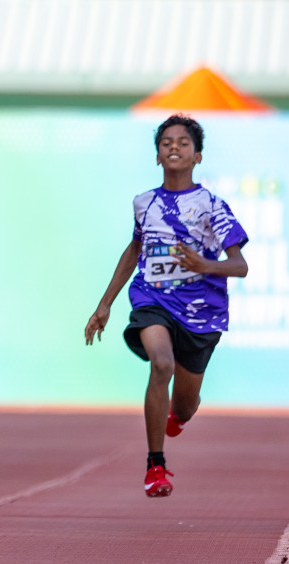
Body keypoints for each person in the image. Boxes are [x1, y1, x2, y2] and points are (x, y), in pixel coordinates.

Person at [84, 114, 249, 498]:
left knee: (187, 405)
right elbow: (135, 248)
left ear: (198, 156)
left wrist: (204, 265)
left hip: (201, 313)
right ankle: (155, 466)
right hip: (152, 299)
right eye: (166, 143)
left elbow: (239, 265)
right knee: (161, 363)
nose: (174, 147)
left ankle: (178, 414)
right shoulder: (145, 203)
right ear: (157, 156)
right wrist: (105, 303)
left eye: (183, 143)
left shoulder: (211, 206)